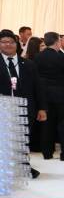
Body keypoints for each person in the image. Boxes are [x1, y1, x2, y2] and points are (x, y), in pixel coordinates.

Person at [0, 29, 43, 177]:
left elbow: (38, 87)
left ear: (17, 44)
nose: (8, 45)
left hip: (25, 108)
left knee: (23, 138)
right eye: (4, 42)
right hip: (3, 107)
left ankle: (24, 167)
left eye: (11, 42)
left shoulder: (28, 64)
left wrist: (42, 108)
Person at [34, 32, 64, 161]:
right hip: (61, 94)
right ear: (56, 42)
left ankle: (47, 153)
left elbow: (35, 78)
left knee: (47, 124)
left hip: (44, 95)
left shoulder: (37, 57)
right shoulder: (62, 58)